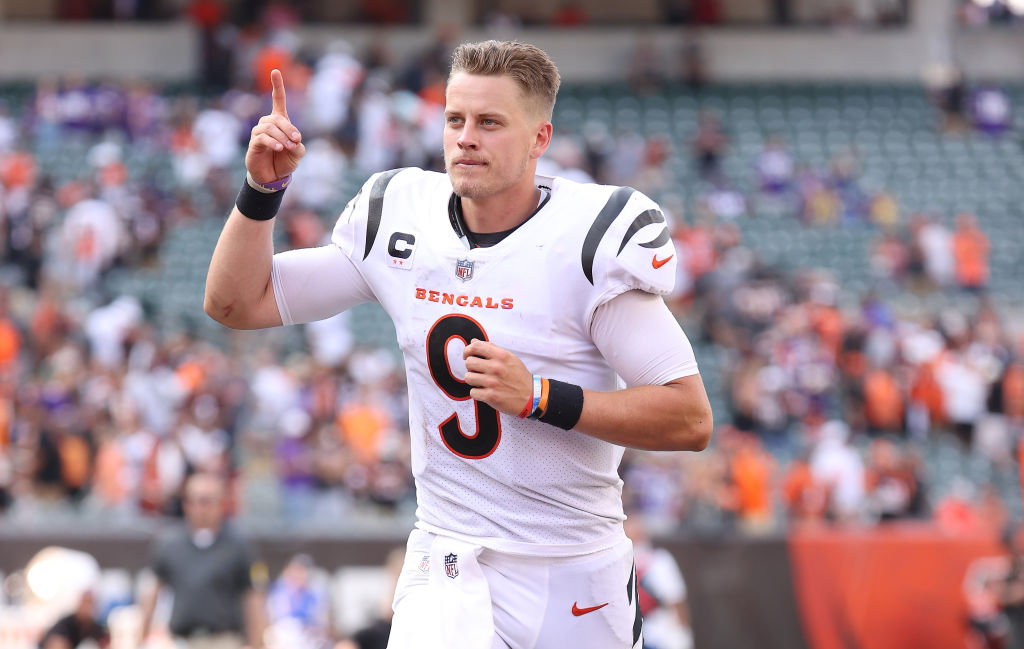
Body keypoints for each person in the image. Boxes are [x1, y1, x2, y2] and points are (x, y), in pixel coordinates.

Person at [204, 40, 712, 649]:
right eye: (455, 119)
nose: (466, 138)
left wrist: (540, 397)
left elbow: (689, 417)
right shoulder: (400, 216)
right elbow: (236, 303)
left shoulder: (585, 241)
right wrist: (262, 192)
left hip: (575, 566)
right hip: (446, 559)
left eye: (490, 123)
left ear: (539, 138)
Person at [138, 472, 267, 649]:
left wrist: (258, 643)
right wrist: (139, 639)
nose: (200, 508)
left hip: (224, 640)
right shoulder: (170, 543)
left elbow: (253, 599)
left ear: (221, 504)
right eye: (193, 500)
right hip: (181, 640)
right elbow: (152, 593)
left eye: (206, 501)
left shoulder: (238, 544)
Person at [37, 588, 108, 649]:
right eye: (85, 603)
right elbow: (55, 642)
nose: (87, 608)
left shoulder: (95, 627)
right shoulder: (66, 624)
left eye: (91, 604)